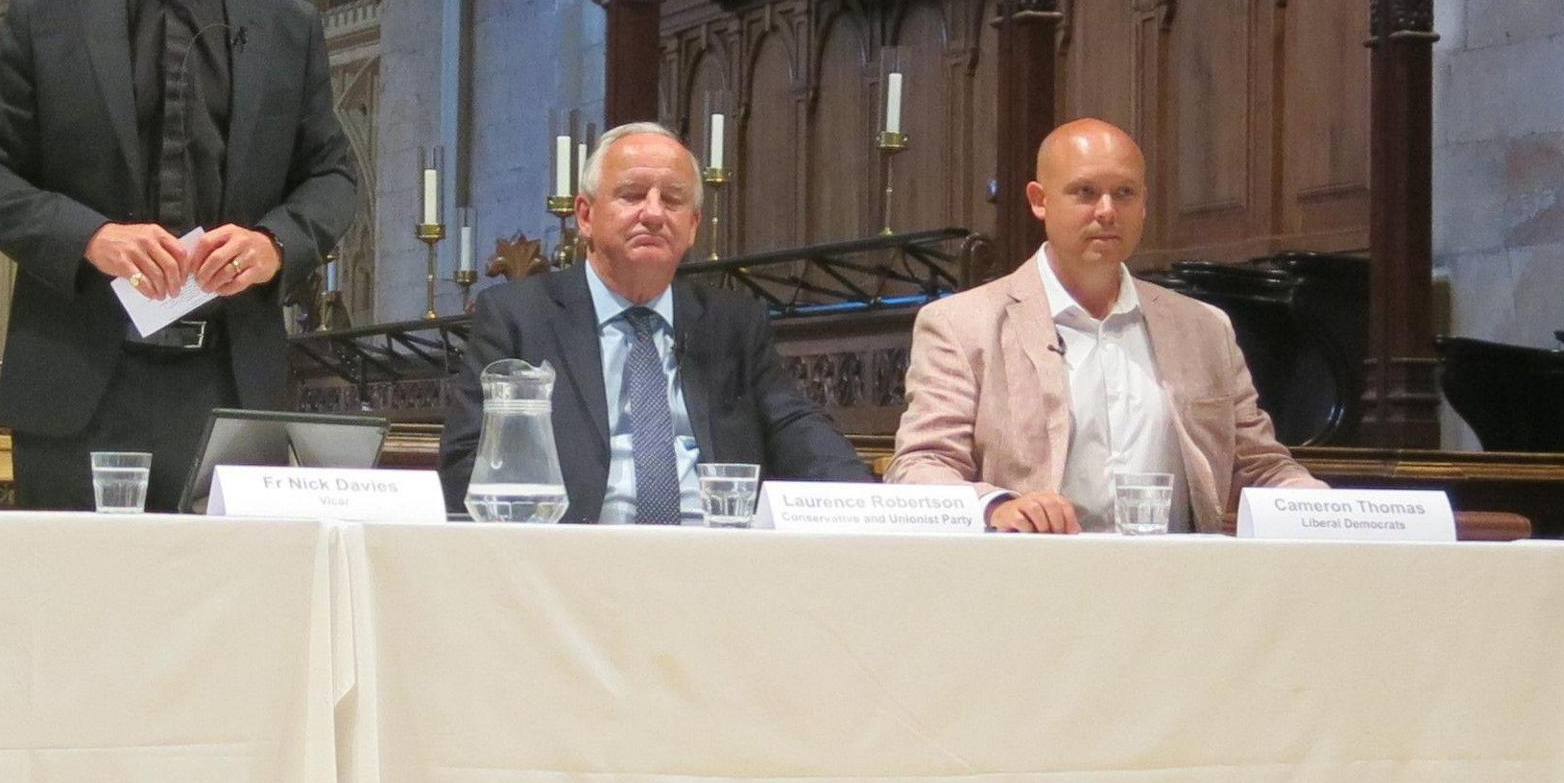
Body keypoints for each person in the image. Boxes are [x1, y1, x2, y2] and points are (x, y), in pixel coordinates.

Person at [0, 0, 362, 510]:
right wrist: (92, 238)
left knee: (225, 613)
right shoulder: (45, 20)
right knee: (76, 608)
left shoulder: (288, 28)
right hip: (79, 380)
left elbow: (332, 175)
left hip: (230, 385)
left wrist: (275, 243)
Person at [888, 117, 1321, 532]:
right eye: (1085, 192)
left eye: (1125, 192)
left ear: (1144, 203)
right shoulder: (962, 325)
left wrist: (1329, 509)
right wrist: (997, 507)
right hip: (1030, 580)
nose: (1107, 211)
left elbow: (1260, 466)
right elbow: (919, 467)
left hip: (1178, 584)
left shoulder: (1205, 329)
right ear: (1040, 200)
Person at [437, 121, 869, 520]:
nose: (654, 213)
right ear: (585, 216)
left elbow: (796, 427)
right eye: (632, 195)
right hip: (574, 560)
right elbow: (467, 459)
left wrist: (868, 503)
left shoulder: (731, 323)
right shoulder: (520, 317)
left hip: (717, 560)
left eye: (673, 200)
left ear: (693, 225)